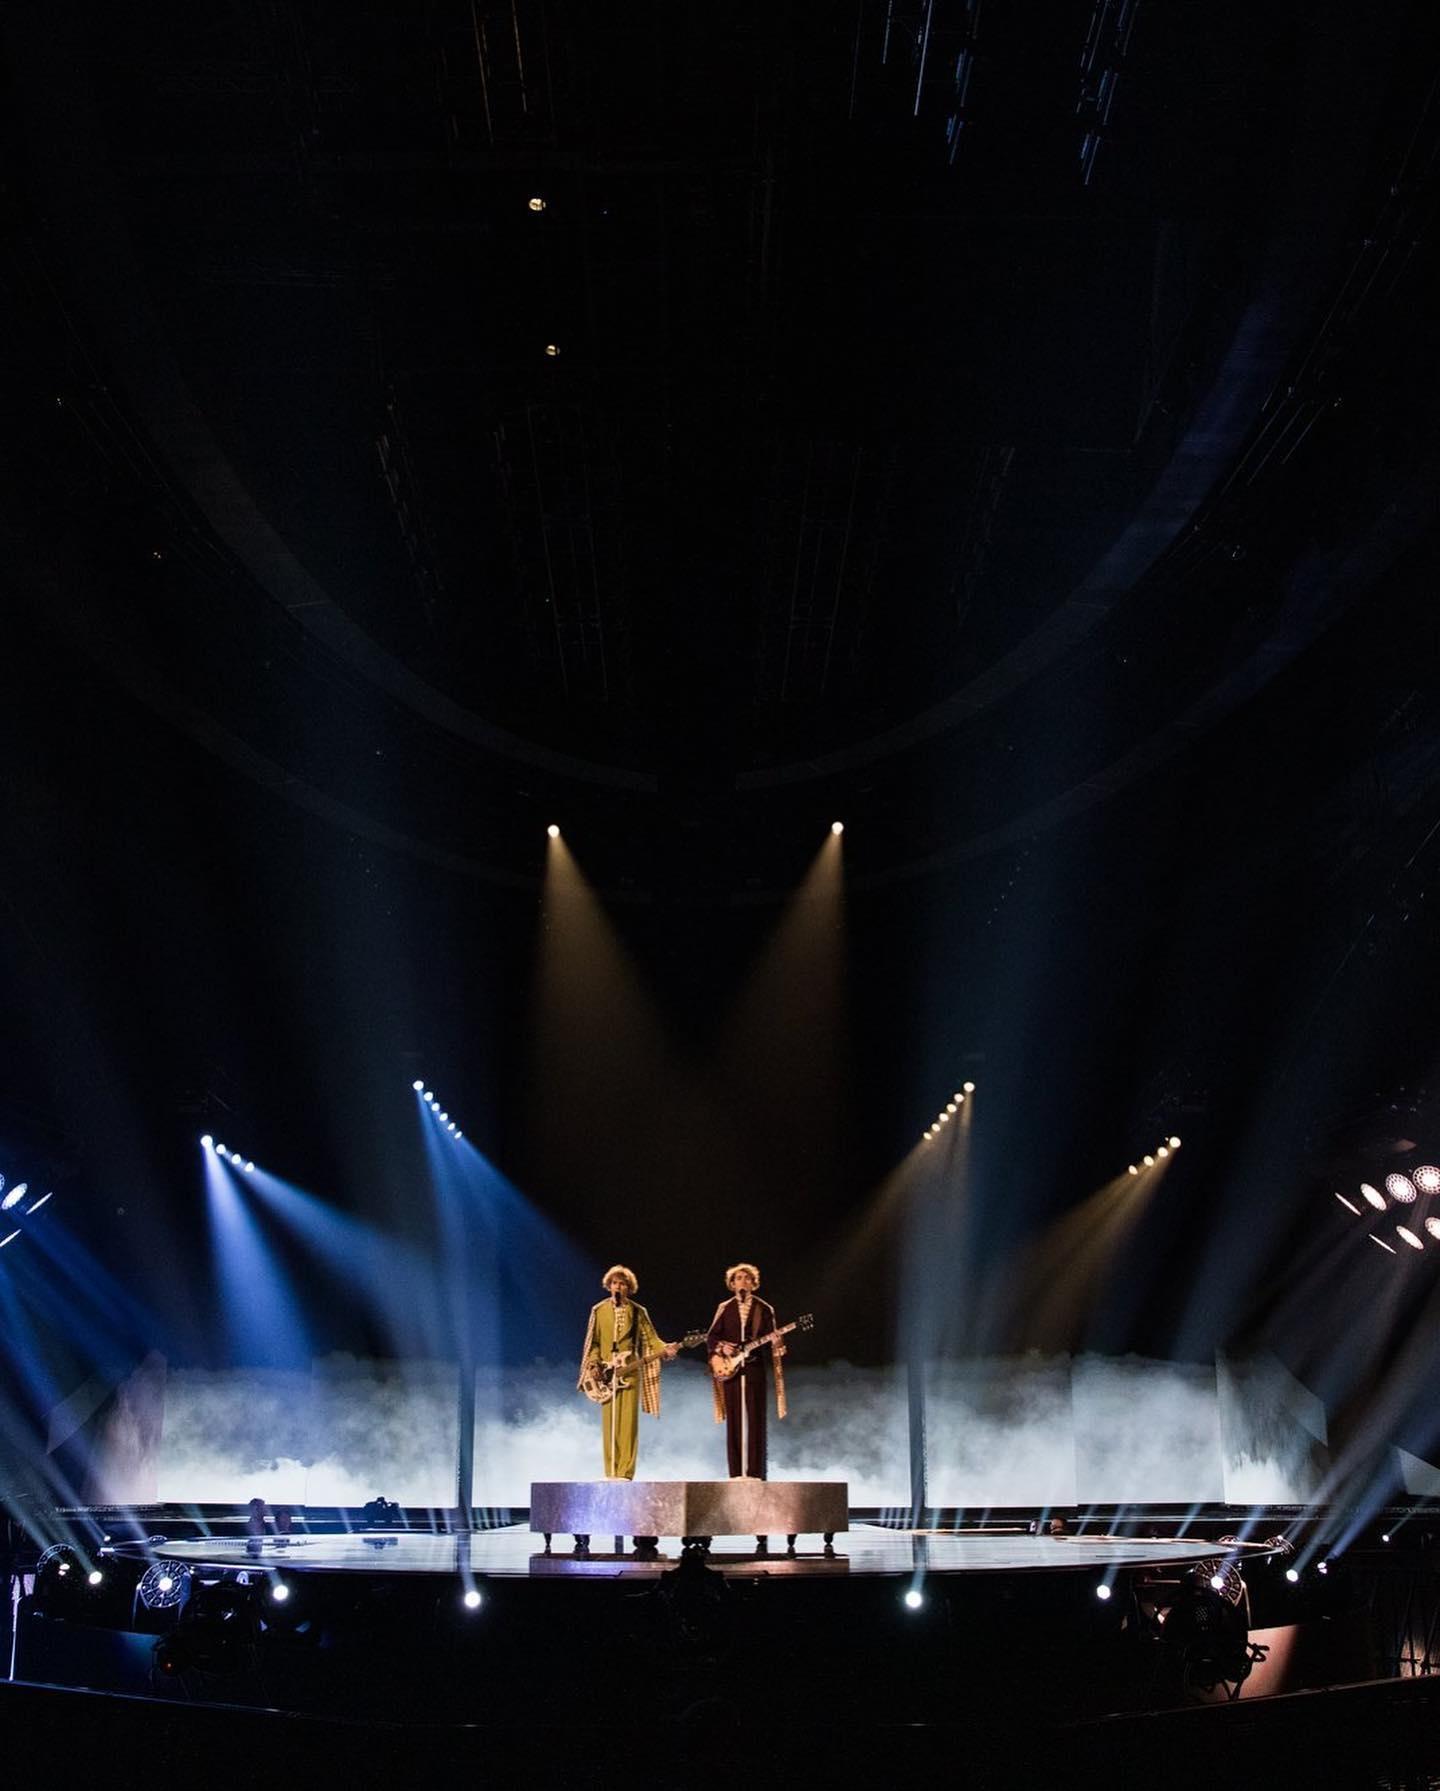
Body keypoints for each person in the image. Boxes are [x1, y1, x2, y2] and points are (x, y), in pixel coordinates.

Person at [577, 1265, 679, 1481]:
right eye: (614, 1283)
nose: (618, 1287)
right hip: (606, 1372)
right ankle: (611, 1471)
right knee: (609, 1423)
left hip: (629, 1370)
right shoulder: (599, 1310)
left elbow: (651, 1338)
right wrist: (594, 1363)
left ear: (629, 1288)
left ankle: (625, 1472)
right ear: (609, 1286)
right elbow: (593, 1342)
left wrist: (666, 1348)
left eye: (622, 1284)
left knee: (628, 1423)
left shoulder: (638, 1311)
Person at [707, 1262, 787, 1481]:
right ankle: (735, 1473)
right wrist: (721, 1347)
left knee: (755, 1419)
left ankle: (755, 1473)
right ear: (732, 1284)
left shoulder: (764, 1309)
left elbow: (772, 1342)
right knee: (734, 1419)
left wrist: (777, 1342)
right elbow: (712, 1337)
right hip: (731, 1368)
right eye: (739, 1278)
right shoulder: (725, 1307)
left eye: (747, 1278)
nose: (743, 1281)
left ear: (754, 1283)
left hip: (754, 1368)